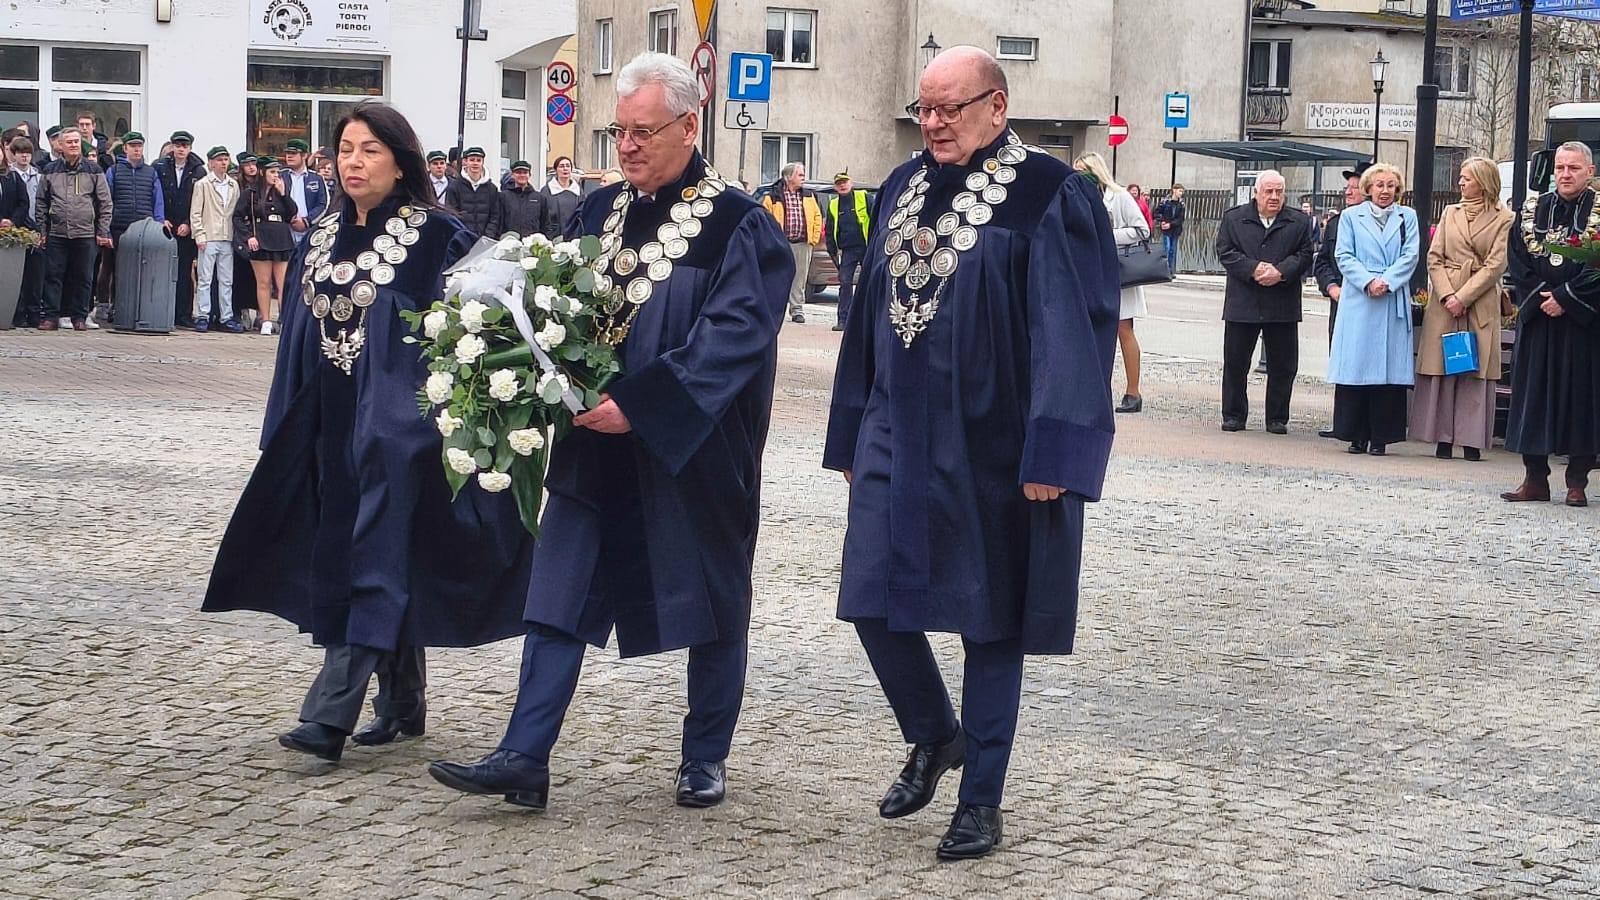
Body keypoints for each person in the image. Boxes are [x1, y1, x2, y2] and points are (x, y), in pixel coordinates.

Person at [428, 51, 792, 814]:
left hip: (694, 445)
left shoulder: (740, 224)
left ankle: (704, 756)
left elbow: (736, 334)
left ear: (688, 127)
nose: (625, 147)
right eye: (617, 132)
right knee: (558, 589)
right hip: (594, 438)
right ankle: (525, 753)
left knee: (713, 597)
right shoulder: (598, 213)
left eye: (642, 132)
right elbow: (558, 310)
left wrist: (646, 402)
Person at [826, 46, 1118, 862]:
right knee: (869, 596)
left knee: (992, 625)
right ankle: (933, 731)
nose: (935, 122)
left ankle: (980, 800)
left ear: (998, 105)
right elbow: (866, 318)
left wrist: (1055, 451)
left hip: (995, 440)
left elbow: (1074, 329)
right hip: (896, 428)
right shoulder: (899, 187)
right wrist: (851, 427)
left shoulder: (1051, 195)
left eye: (951, 107)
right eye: (926, 108)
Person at [204, 102, 534, 763]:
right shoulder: (318, 237)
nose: (353, 162)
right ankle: (403, 698)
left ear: (400, 160)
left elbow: (479, 331)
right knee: (353, 551)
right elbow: (299, 337)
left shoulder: (437, 235)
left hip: (402, 429)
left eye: (369, 150)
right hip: (329, 420)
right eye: (346, 149)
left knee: (375, 552)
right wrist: (285, 428)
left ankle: (329, 716)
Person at [1500, 141, 1600, 507]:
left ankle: (1577, 481)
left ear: (1589, 171)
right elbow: (1517, 259)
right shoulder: (1531, 209)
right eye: (1560, 167)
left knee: (1582, 399)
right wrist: (1546, 297)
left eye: (1573, 168)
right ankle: (1535, 478)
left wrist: (1567, 298)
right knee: (1534, 396)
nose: (1565, 174)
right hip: (1539, 317)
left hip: (1583, 322)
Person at [1411, 157, 1513, 462]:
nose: (1460, 183)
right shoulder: (1450, 212)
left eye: (1466, 178)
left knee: (1474, 368)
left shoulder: (1505, 218)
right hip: (1446, 300)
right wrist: (1446, 295)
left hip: (1479, 300)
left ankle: (1470, 439)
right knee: (1443, 365)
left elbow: (1495, 265)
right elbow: (1435, 257)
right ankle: (1441, 437)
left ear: (1483, 181)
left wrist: (1464, 297)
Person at [1328, 163, 1419, 456]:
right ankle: (1355, 434)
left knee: (1387, 369)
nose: (1385, 191)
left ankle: (1381, 436)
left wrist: (1388, 281)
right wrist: (1368, 281)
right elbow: (1343, 254)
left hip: (1391, 297)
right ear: (1368, 188)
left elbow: (1411, 255)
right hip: (1360, 297)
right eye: (1379, 185)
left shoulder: (1408, 217)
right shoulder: (1351, 217)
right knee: (1358, 366)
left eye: (1391, 185)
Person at [1214, 170, 1313, 434]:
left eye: (1279, 191)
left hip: (1282, 302)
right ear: (1256, 192)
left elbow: (1305, 254)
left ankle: (1277, 417)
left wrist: (1281, 271)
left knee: (1283, 365)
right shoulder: (1234, 218)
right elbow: (1225, 251)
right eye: (1268, 191)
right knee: (1236, 363)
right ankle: (1234, 414)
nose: (1274, 197)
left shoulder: (1299, 221)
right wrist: (1254, 268)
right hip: (1243, 301)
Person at [1075, 151, 1147, 414]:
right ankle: (1096, 390)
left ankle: (1133, 391)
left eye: (1084, 171)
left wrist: (1107, 235)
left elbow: (1142, 229)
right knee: (1092, 331)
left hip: (1119, 270)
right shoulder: (1079, 197)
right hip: (1091, 269)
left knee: (1123, 329)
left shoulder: (1119, 195)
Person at [36, 128, 112, 331]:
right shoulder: (50, 170)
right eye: (69, 142)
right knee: (53, 276)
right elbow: (41, 202)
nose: (73, 145)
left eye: (76, 142)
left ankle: (79, 316)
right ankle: (53, 316)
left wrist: (102, 231)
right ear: (60, 145)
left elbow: (105, 203)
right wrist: (42, 230)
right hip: (57, 232)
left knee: (84, 276)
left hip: (85, 233)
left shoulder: (93, 170)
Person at [1313, 163, 1369, 438]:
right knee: (1342, 360)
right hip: (1341, 301)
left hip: (1369, 300)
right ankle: (1342, 422)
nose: (1349, 191)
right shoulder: (1336, 222)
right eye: (1347, 187)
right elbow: (1322, 261)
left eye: (1355, 187)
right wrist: (1331, 287)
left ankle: (1366, 424)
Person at [103, 132, 166, 317]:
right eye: (133, 146)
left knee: (143, 270)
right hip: (119, 228)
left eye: (140, 146)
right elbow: (106, 201)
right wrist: (105, 229)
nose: (137, 149)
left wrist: (159, 224)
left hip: (144, 229)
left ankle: (141, 309)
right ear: (125, 148)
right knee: (118, 270)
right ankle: (116, 307)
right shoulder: (114, 171)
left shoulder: (151, 172)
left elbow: (158, 201)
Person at [234, 156, 297, 335]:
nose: (276, 175)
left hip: (281, 238)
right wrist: (248, 237)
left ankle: (283, 319)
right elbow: (238, 217)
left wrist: (283, 194)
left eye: (277, 172)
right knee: (264, 282)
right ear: (263, 172)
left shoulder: (280, 191)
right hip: (261, 238)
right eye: (272, 172)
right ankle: (266, 320)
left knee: (282, 283)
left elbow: (292, 212)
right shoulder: (251, 193)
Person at [761, 161, 823, 324]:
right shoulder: (772, 196)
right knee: (778, 276)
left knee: (799, 279)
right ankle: (774, 309)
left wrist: (814, 239)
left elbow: (817, 216)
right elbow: (765, 219)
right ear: (789, 177)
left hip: (803, 243)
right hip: (781, 243)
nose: (804, 178)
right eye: (800, 174)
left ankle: (797, 310)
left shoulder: (809, 195)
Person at [190, 146, 243, 333]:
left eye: (225, 160)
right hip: (209, 236)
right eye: (219, 160)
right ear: (211, 163)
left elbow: (235, 212)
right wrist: (199, 235)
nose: (223, 163)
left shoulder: (233, 185)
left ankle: (225, 316)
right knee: (205, 279)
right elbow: (196, 212)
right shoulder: (203, 184)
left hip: (226, 237)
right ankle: (203, 315)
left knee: (226, 279)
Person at [154, 130, 205, 328]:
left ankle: (183, 314)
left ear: (190, 148)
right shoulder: (160, 167)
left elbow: (199, 201)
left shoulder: (198, 170)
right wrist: (161, 219)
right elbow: (156, 195)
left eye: (185, 146)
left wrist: (188, 223)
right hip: (165, 226)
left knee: (185, 273)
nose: (181, 149)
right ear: (172, 147)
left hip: (186, 228)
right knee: (163, 272)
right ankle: (163, 311)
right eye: (178, 145)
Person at [824, 171, 871, 333]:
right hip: (848, 250)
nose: (842, 185)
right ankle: (843, 320)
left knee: (870, 282)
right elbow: (830, 231)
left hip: (867, 247)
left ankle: (869, 319)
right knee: (844, 283)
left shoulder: (864, 197)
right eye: (839, 183)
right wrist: (833, 254)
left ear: (851, 183)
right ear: (835, 187)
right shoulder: (833, 205)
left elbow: (877, 220)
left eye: (844, 182)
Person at [6, 136, 44, 328]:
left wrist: (40, 229)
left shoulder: (39, 176)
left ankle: (34, 313)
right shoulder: (9, 176)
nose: (24, 157)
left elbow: (43, 203)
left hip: (36, 230)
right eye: (20, 153)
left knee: (35, 275)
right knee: (16, 275)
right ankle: (18, 313)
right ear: (12, 155)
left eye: (28, 153)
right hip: (16, 229)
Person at [444, 146, 500, 240]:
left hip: (485, 240)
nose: (475, 163)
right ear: (465, 162)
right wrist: (462, 234)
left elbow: (495, 215)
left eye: (478, 160)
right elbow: (452, 213)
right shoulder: (455, 186)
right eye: (472, 160)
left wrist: (488, 236)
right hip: (462, 238)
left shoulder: (492, 188)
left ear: (482, 163)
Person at [281, 138, 329, 247]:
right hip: (285, 231)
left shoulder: (317, 178)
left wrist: (306, 221)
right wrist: (290, 220)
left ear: (304, 155)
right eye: (287, 153)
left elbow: (323, 204)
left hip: (310, 230)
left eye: (293, 153)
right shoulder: (280, 176)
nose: (289, 156)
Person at [497, 159, 549, 238]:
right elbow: (498, 222)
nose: (522, 175)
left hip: (532, 246)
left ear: (529, 175)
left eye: (525, 173)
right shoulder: (503, 196)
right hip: (509, 244)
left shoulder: (540, 198)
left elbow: (546, 224)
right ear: (512, 175)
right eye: (518, 172)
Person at [538, 155, 583, 238]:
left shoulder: (578, 191)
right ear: (556, 170)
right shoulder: (547, 191)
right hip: (553, 236)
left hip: (574, 235)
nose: (565, 169)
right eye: (561, 166)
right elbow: (542, 215)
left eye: (568, 166)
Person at [1154, 184, 1185, 275]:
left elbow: (1181, 219)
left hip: (1175, 230)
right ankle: (1164, 270)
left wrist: (1170, 224)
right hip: (1166, 230)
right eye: (1179, 191)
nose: (1181, 193)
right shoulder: (1165, 202)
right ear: (1174, 190)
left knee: (1173, 250)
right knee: (1166, 249)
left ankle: (1171, 270)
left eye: (1182, 191)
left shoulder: (1181, 204)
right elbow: (1156, 213)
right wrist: (1162, 221)